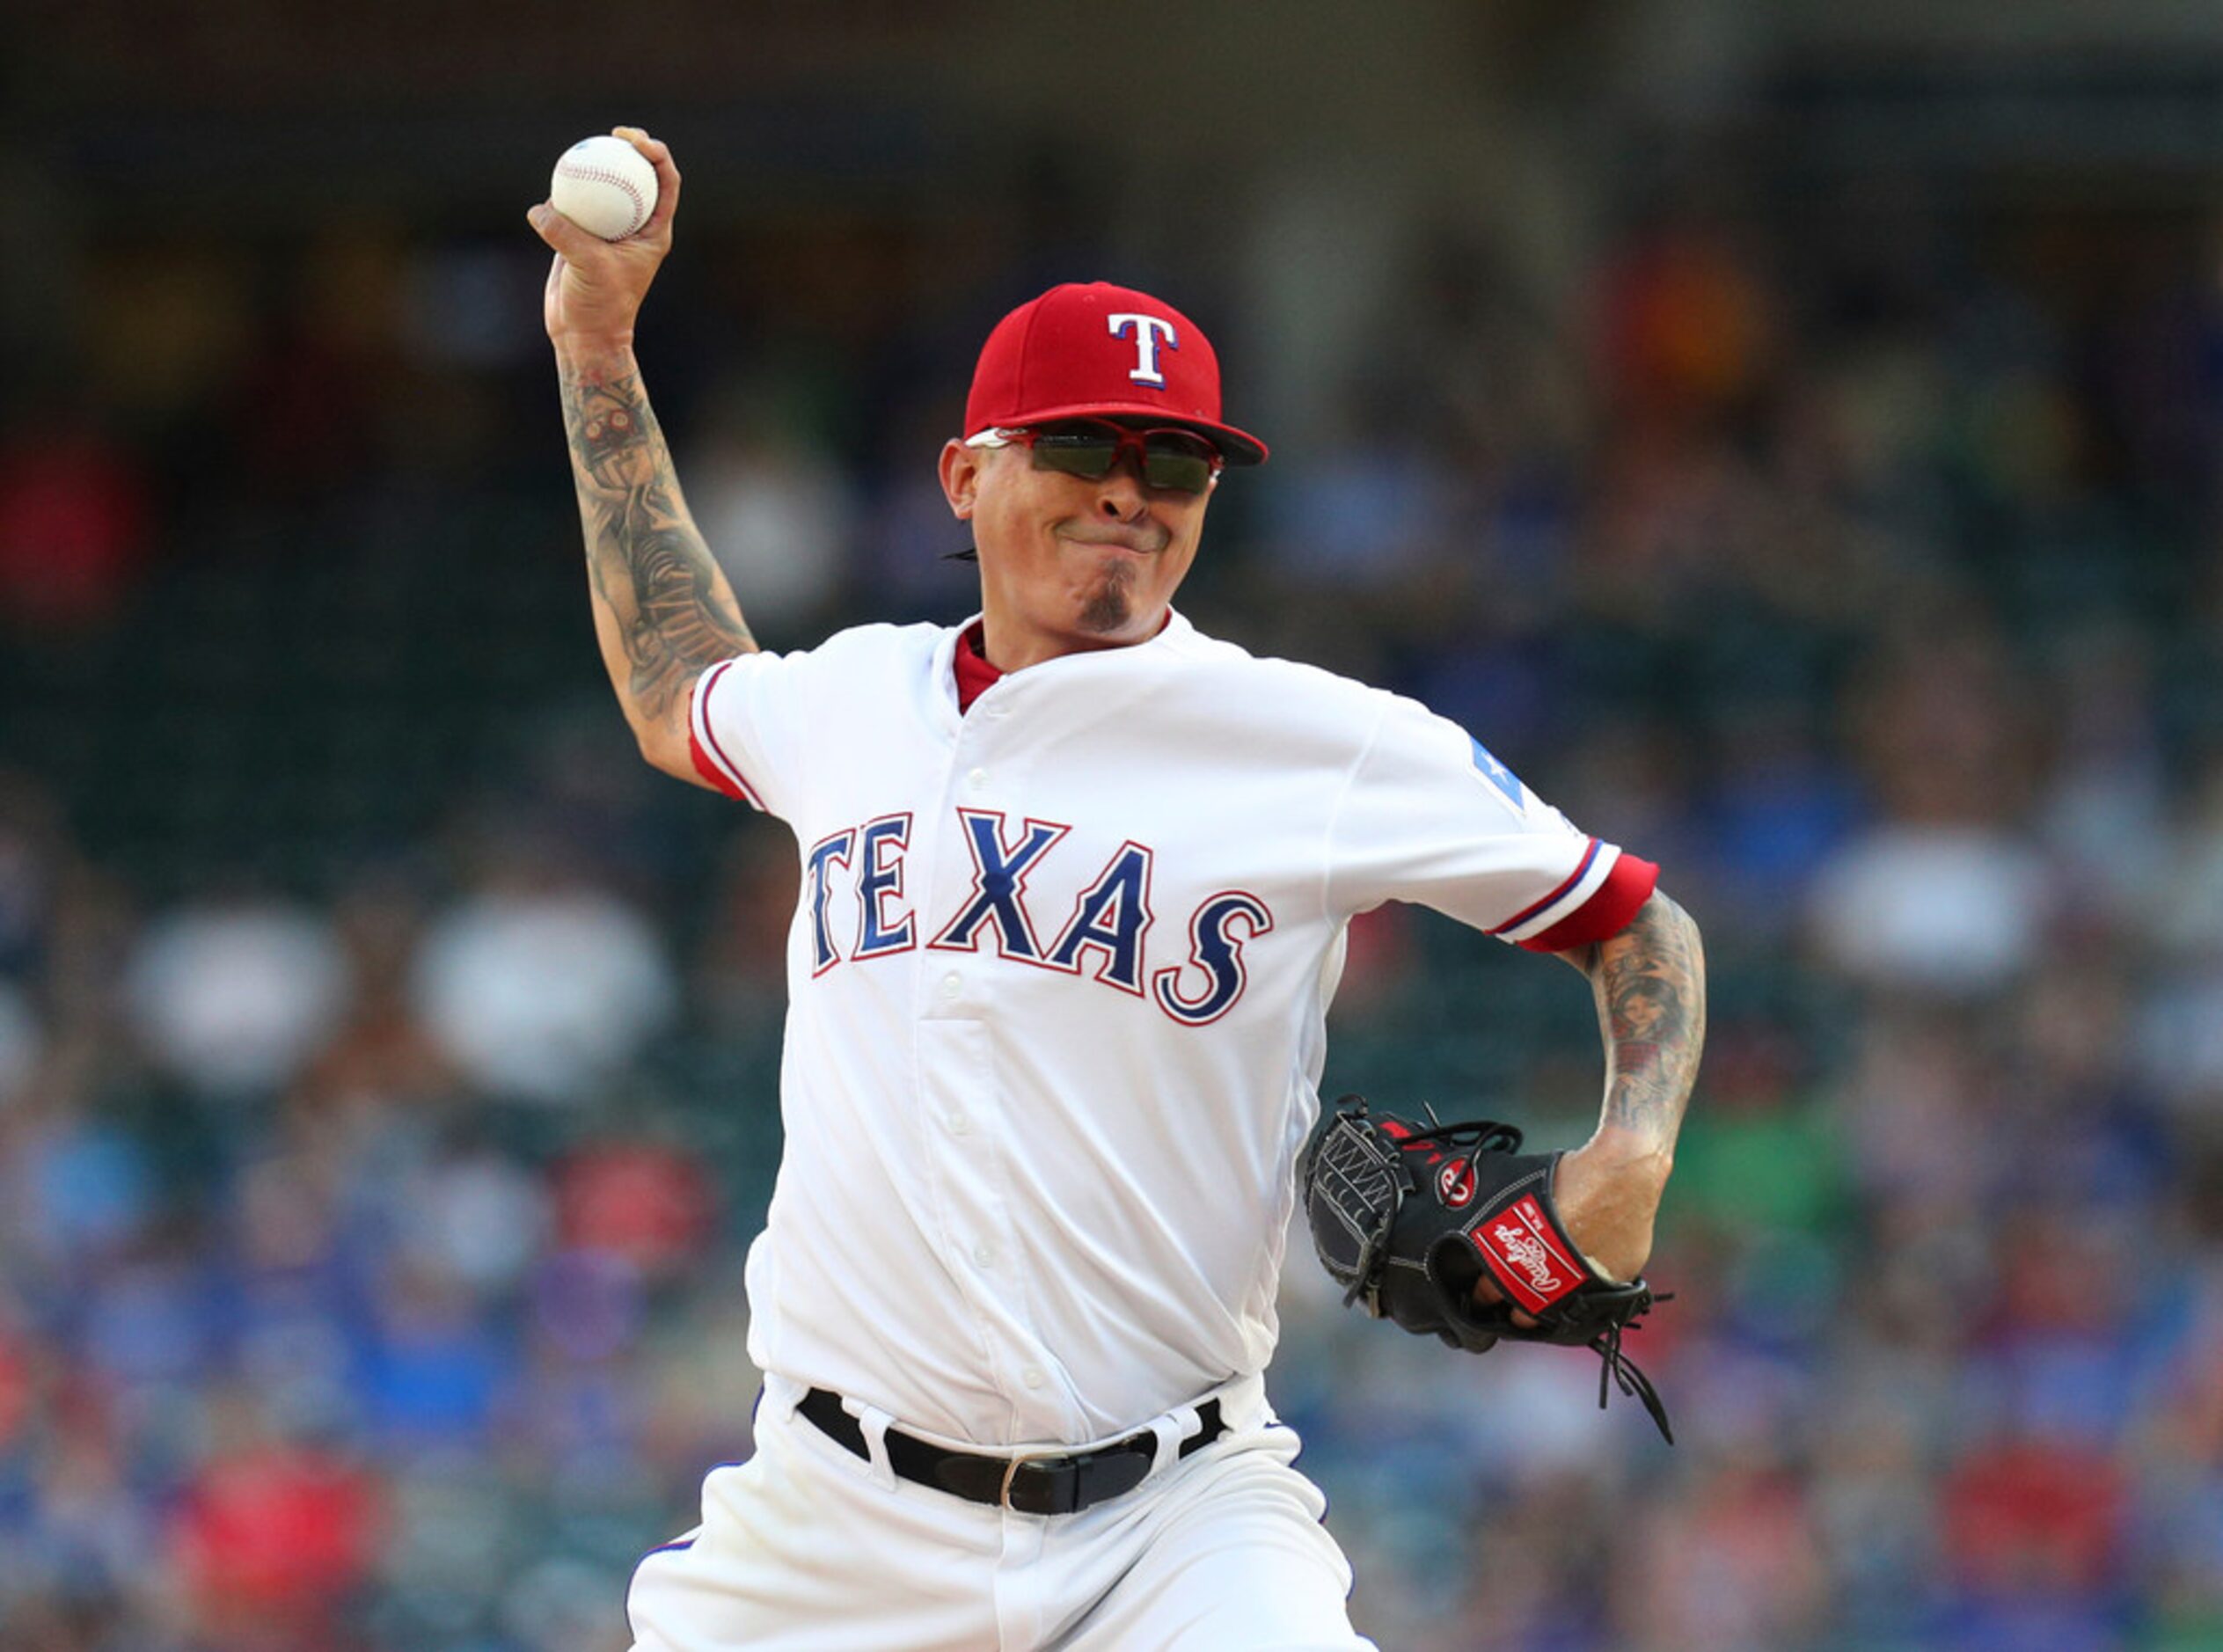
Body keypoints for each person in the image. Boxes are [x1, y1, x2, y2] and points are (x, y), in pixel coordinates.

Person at [529, 128, 1706, 1652]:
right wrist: (599, 342)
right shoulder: (851, 703)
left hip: (1179, 1521)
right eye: (1082, 447)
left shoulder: (1313, 740)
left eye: (1177, 461)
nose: (1131, 495)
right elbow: (676, 675)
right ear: (966, 474)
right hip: (832, 1524)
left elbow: (1630, 917)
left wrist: (1633, 1154)